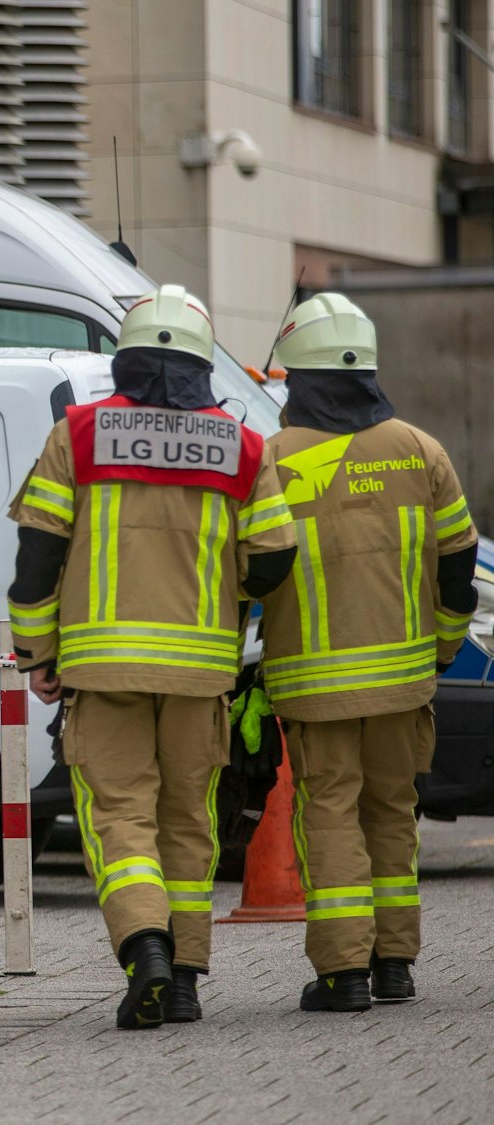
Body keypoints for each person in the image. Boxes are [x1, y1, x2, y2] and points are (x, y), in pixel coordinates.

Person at [6, 285, 296, 1028]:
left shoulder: (76, 434)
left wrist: (37, 651)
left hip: (102, 669)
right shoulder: (244, 443)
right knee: (189, 820)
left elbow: (37, 555)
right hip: (200, 671)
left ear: (124, 357)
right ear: (202, 363)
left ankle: (145, 949)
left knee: (119, 814)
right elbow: (274, 557)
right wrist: (226, 598)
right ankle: (189, 976)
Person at [257, 293, 479, 1011]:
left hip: (315, 687)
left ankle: (343, 972)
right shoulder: (421, 450)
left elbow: (248, 568)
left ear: (300, 375)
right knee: (393, 813)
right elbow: (459, 564)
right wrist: (443, 647)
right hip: (406, 683)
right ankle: (395, 965)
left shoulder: (275, 459)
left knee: (329, 815)